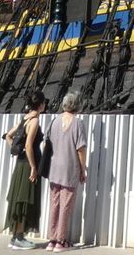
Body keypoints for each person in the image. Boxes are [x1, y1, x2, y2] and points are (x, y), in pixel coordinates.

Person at [43, 91, 88, 251]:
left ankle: (52, 239)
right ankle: (61, 241)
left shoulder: (54, 121)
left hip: (54, 169)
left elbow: (46, 143)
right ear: (77, 105)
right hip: (70, 169)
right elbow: (81, 149)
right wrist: (83, 170)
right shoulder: (78, 123)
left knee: (54, 204)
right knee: (65, 205)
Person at [3, 92, 46, 249]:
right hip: (28, 165)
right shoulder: (34, 121)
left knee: (20, 199)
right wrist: (33, 166)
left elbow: (8, 136)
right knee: (25, 199)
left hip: (20, 164)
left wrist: (16, 151)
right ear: (41, 105)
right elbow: (29, 145)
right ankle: (19, 238)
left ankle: (16, 237)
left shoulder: (24, 119)